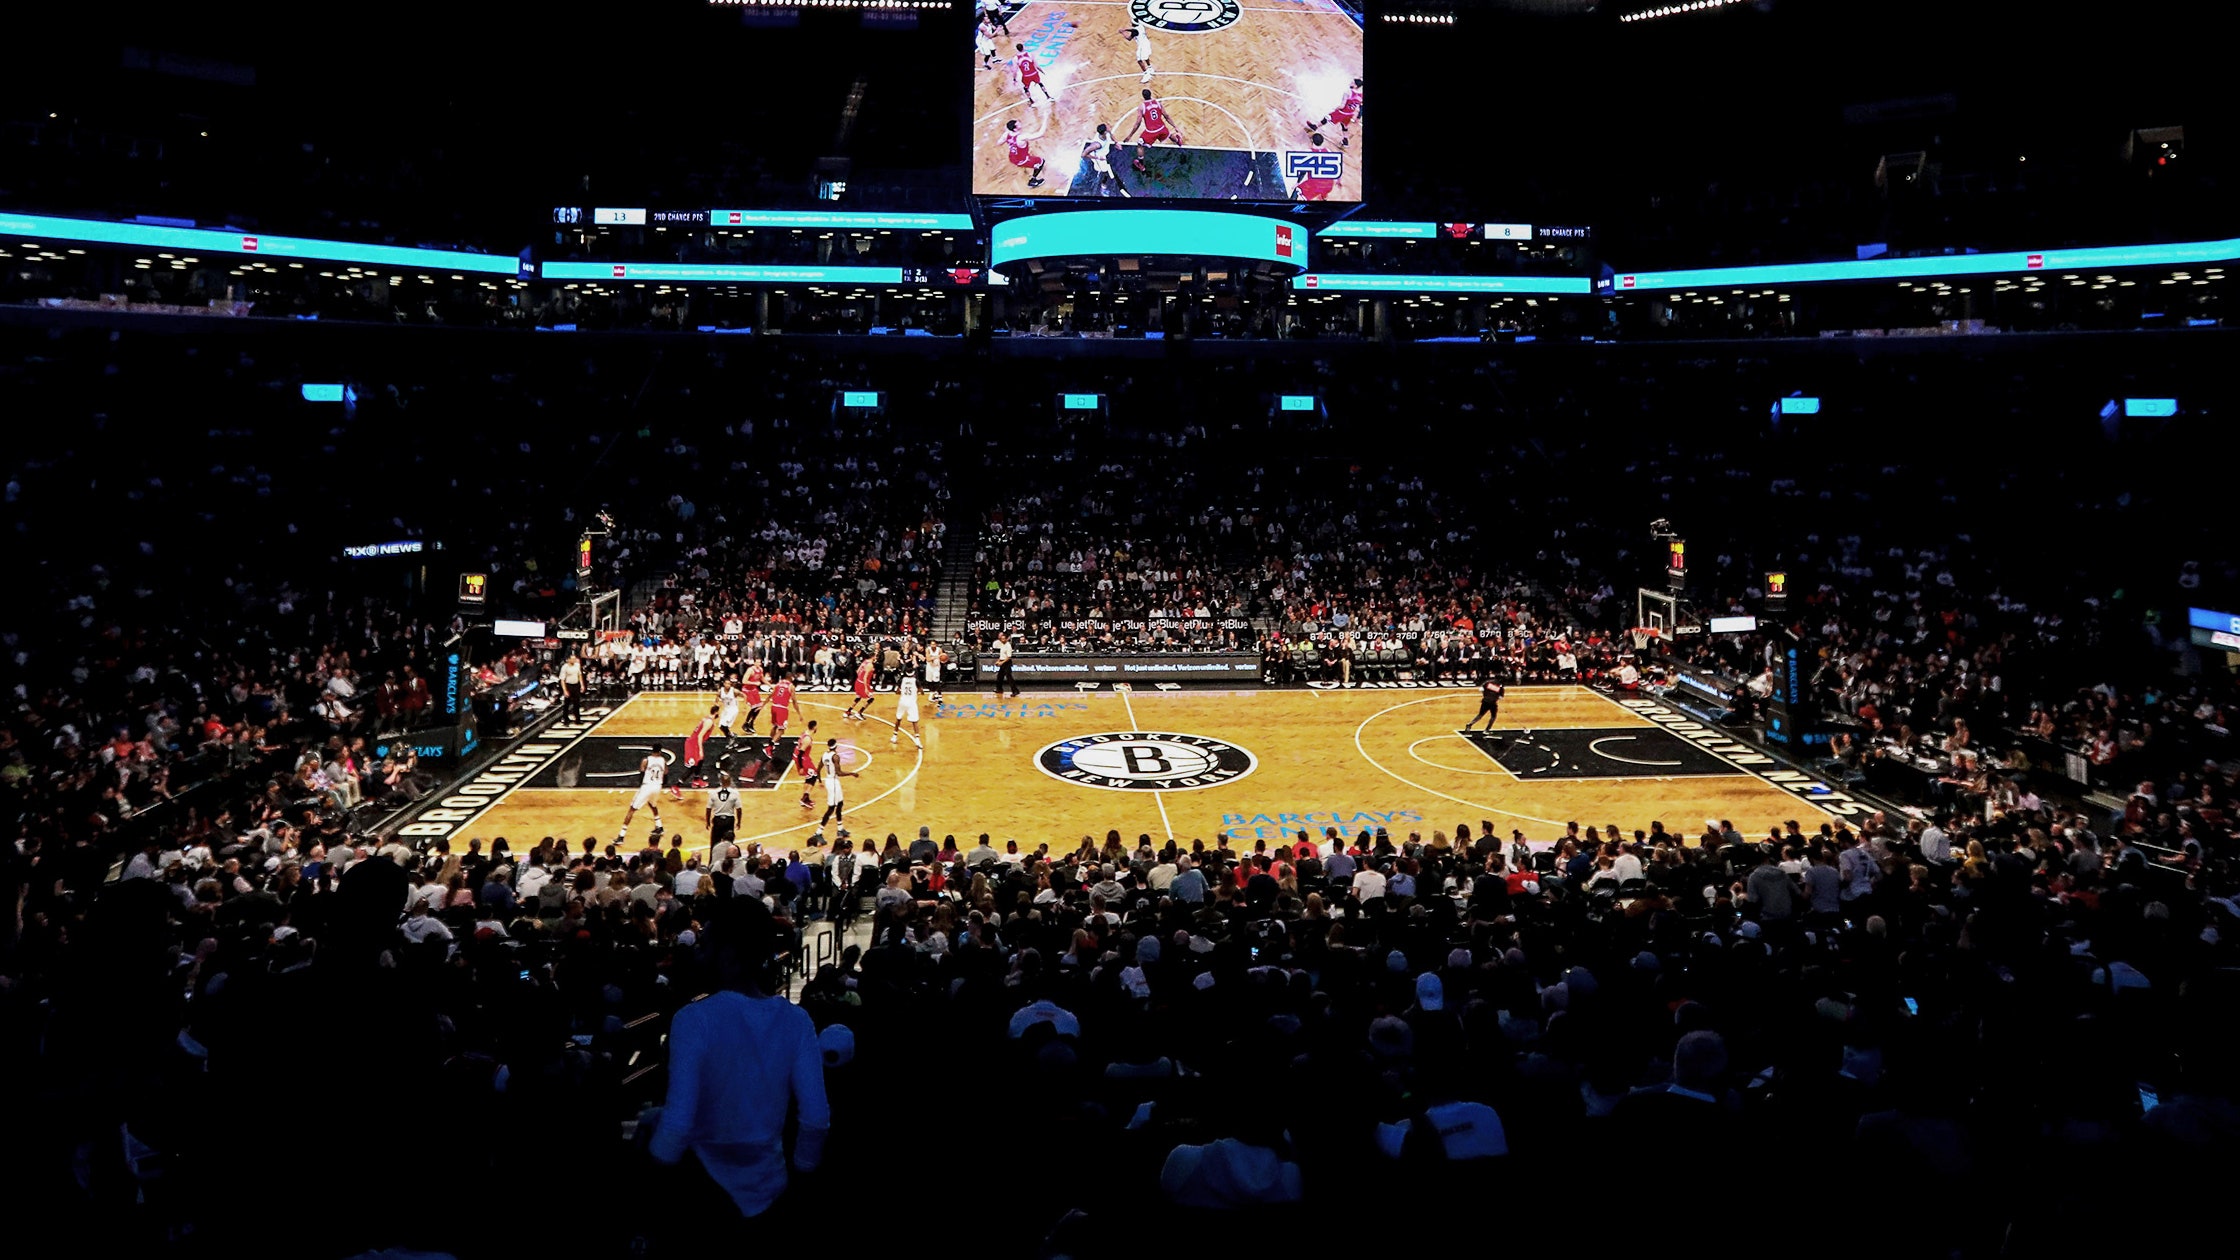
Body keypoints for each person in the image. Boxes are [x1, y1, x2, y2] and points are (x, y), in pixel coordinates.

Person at [647, 897, 829, 1224]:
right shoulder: (797, 1020)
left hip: (703, 1192)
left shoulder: (692, 1019)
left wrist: (649, 1184)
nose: (700, 955)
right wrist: (802, 1180)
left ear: (727, 955)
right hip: (772, 1189)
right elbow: (816, 1119)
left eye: (706, 946)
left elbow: (677, 1125)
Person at [1122, 88, 1185, 174]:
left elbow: (1138, 123)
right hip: (1162, 128)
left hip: (1151, 132)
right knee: (1168, 134)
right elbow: (1166, 116)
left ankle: (1141, 165)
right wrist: (1175, 126)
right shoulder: (1158, 103)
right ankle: (1178, 141)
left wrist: (1130, 136)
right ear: (1151, 94)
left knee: (1140, 145)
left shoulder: (1142, 106)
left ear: (1143, 96)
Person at [620, 746, 672, 844]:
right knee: (652, 804)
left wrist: (643, 787)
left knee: (632, 809)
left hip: (647, 786)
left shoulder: (646, 760)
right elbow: (666, 773)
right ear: (660, 752)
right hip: (657, 786)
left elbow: (641, 773)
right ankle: (659, 826)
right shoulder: (663, 760)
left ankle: (621, 836)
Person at [1303, 77, 1362, 147]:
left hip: (1342, 113)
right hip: (1350, 114)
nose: (1350, 83)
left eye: (1352, 82)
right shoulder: (1361, 95)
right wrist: (1357, 117)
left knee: (1327, 117)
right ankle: (1345, 141)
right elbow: (1358, 107)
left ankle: (1315, 127)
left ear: (1355, 86)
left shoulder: (1348, 92)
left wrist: (1335, 109)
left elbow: (1342, 106)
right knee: (1344, 126)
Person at [818, 739, 861, 829]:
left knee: (840, 803)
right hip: (833, 782)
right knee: (831, 808)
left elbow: (818, 769)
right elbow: (839, 773)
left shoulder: (824, 755)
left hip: (831, 781)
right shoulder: (835, 757)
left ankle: (840, 828)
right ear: (836, 746)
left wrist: (820, 781)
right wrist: (852, 773)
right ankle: (819, 831)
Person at [1083, 125, 1130, 198]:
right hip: (1099, 159)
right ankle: (1103, 187)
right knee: (1105, 173)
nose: (1108, 128)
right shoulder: (1096, 144)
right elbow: (1083, 154)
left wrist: (1116, 143)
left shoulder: (1106, 133)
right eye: (1107, 128)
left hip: (1105, 155)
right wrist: (1098, 157)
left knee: (1109, 168)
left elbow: (1111, 134)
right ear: (1104, 132)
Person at [1003, 119, 1048, 189]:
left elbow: (998, 143)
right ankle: (1033, 181)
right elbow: (1040, 134)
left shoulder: (1007, 134)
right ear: (1015, 129)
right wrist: (1046, 118)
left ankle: (1026, 166)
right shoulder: (1022, 137)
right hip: (1022, 160)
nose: (1020, 123)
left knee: (1027, 156)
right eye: (1018, 124)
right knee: (1041, 161)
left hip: (1012, 157)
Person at [705, 771, 739, 858]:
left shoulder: (713, 792)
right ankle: (729, 860)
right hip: (729, 820)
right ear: (730, 782)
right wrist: (739, 822)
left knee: (714, 843)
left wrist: (708, 821)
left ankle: (712, 862)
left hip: (717, 820)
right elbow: (739, 809)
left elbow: (708, 809)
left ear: (721, 782)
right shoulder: (735, 793)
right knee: (729, 843)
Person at [684, 705, 718, 787]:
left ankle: (696, 780)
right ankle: (676, 786)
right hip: (693, 744)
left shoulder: (707, 718)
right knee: (693, 766)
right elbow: (700, 736)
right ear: (716, 712)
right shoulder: (709, 722)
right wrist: (700, 750)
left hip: (694, 742)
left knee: (700, 761)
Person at [793, 719, 820, 809]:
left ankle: (806, 797)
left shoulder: (805, 733)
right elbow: (801, 752)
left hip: (802, 757)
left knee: (810, 776)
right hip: (803, 758)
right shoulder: (807, 739)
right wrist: (800, 767)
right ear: (814, 727)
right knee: (814, 775)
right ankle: (804, 798)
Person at [892, 670, 922, 747]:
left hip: (902, 702)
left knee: (898, 719)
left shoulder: (902, 680)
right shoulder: (916, 681)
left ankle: (894, 736)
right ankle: (917, 740)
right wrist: (918, 692)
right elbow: (921, 691)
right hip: (911, 703)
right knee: (915, 721)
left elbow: (897, 692)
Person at [846, 655, 877, 722]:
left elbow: (857, 671)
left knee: (858, 697)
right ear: (872, 657)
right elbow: (865, 677)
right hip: (863, 683)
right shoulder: (870, 665)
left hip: (858, 681)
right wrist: (866, 688)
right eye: (875, 656)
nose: (876, 658)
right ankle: (859, 713)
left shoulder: (865, 661)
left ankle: (848, 711)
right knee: (871, 698)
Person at [558, 652, 584, 722]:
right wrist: (565, 690)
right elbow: (562, 680)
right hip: (568, 686)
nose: (574, 660)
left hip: (576, 685)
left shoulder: (577, 665)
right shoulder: (564, 667)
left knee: (577, 703)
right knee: (567, 703)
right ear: (568, 660)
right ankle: (565, 717)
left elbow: (579, 675)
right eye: (573, 659)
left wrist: (582, 685)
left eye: (575, 659)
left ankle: (578, 719)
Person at [741, 662, 766, 735]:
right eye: (757, 662)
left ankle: (751, 722)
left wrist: (770, 685)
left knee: (759, 707)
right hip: (747, 690)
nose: (759, 664)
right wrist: (754, 683)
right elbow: (744, 681)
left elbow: (762, 679)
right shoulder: (750, 670)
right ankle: (746, 723)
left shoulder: (760, 669)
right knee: (754, 707)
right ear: (754, 663)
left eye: (760, 662)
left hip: (754, 689)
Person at [994, 631, 1018, 697]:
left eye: (1003, 639)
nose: (1002, 640)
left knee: (1009, 677)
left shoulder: (1008, 646)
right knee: (999, 677)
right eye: (1001, 639)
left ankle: (1015, 691)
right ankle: (999, 689)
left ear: (1006, 639)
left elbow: (1008, 657)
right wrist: (998, 661)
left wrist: (1001, 662)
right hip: (1002, 661)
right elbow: (1001, 655)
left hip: (1006, 663)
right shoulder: (1002, 645)